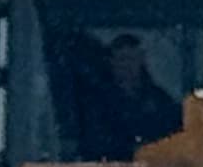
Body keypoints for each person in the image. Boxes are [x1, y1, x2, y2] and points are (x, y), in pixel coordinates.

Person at [72, 27, 185, 159]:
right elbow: (93, 141)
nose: (127, 65)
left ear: (141, 60)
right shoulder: (96, 101)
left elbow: (174, 133)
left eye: (132, 59)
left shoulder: (159, 100)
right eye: (122, 59)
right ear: (111, 62)